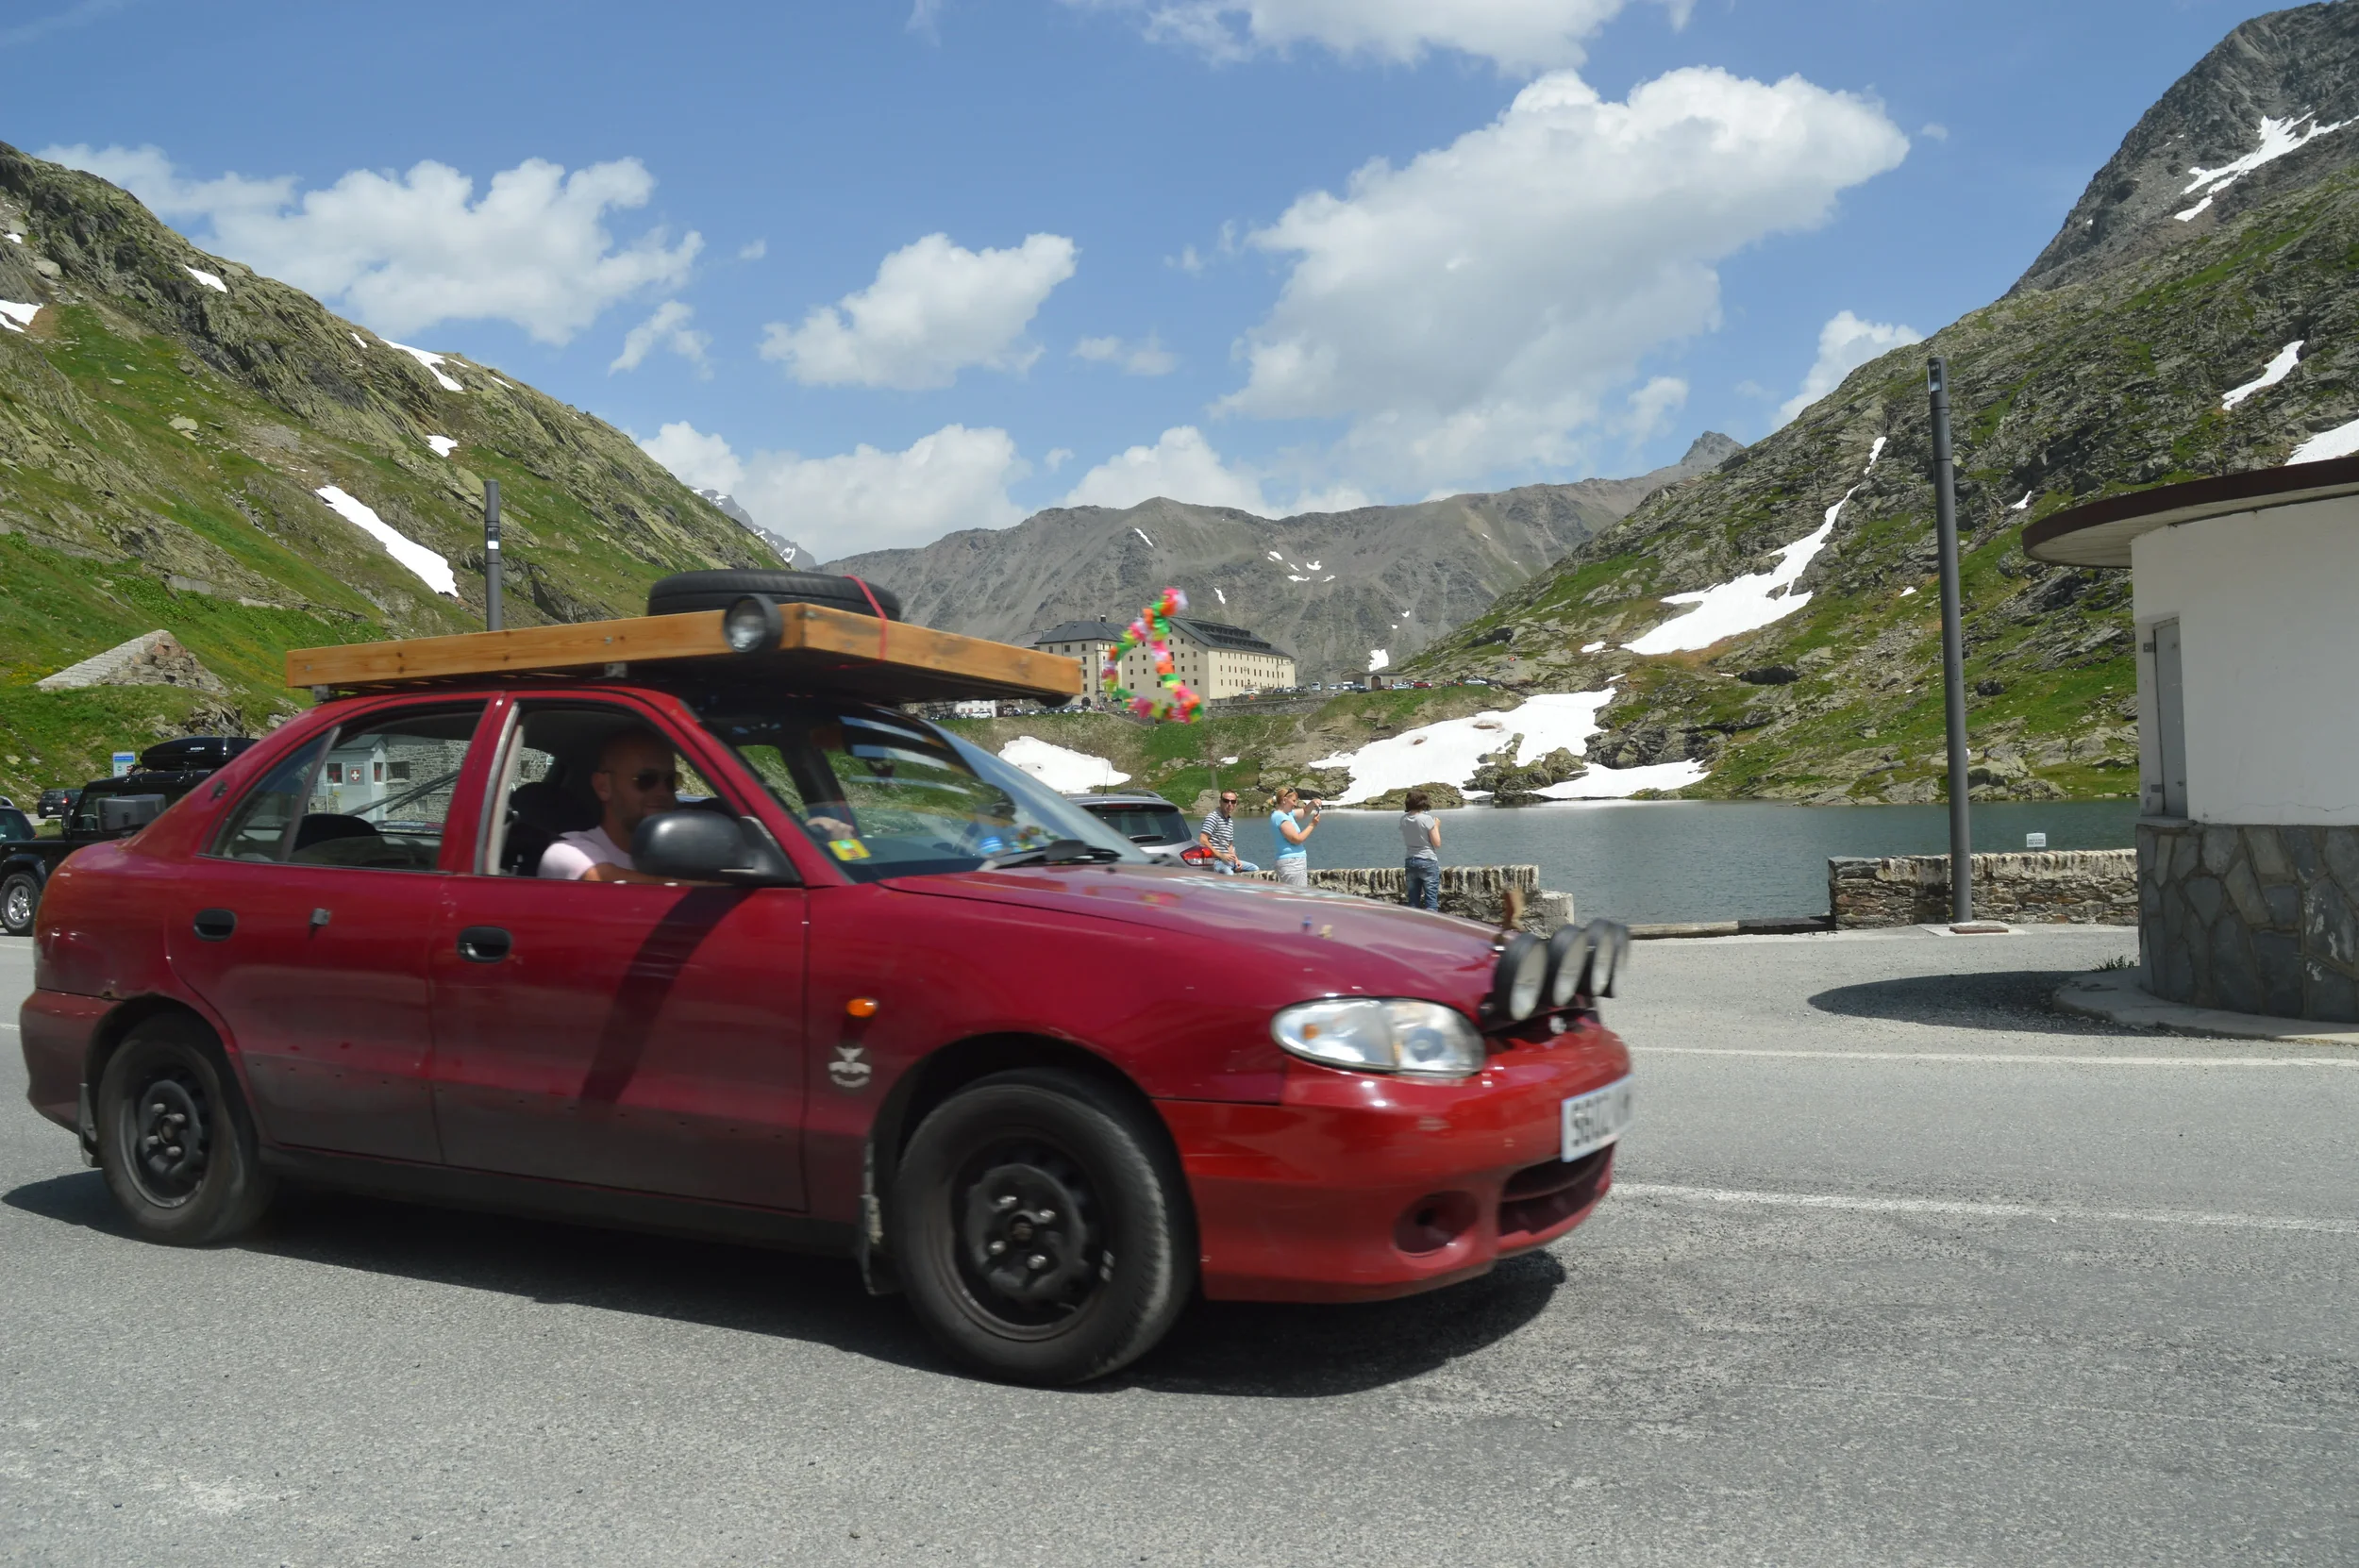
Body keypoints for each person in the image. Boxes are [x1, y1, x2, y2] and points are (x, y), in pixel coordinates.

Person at [538, 727, 693, 882]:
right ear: (603, 787)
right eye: (646, 779)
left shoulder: (686, 858)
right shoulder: (569, 850)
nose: (662, 791)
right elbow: (599, 878)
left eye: (671, 780)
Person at [1196, 791, 1259, 875]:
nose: (1230, 804)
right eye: (1226, 801)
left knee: (1254, 869)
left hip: (1228, 860)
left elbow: (1229, 845)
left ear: (1236, 804)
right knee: (1229, 874)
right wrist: (1220, 855)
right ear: (1220, 802)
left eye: (1233, 802)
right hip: (1215, 861)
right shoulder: (1213, 818)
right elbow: (1203, 840)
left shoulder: (1229, 821)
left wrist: (1236, 860)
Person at [1268, 786, 1320, 888]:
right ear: (1284, 800)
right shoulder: (1280, 817)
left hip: (1294, 862)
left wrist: (1313, 803)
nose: (1295, 804)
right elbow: (1296, 839)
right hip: (1292, 863)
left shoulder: (1288, 814)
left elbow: (1305, 811)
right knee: (1297, 897)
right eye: (1293, 801)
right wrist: (1312, 825)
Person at [1399, 788, 1442, 910]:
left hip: (1410, 860)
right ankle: (1431, 927)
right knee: (1431, 903)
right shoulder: (1426, 819)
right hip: (1427, 860)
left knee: (1413, 903)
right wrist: (1436, 826)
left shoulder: (1403, 819)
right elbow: (1437, 843)